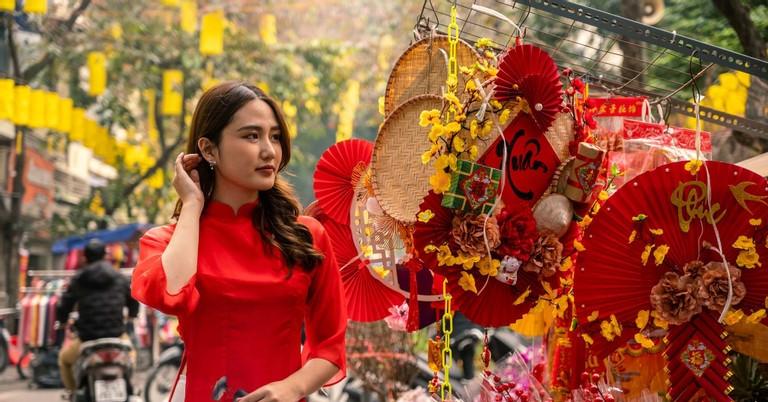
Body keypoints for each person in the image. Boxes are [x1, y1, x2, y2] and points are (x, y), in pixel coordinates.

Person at [131, 81, 347, 402]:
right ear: (208, 149)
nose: (269, 150)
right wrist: (192, 205)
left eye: (274, 136)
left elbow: (330, 346)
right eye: (251, 135)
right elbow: (171, 295)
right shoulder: (167, 241)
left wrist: (292, 387)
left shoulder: (305, 236)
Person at [56, 238, 139, 397]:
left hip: (87, 339)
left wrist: (64, 321)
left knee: (64, 360)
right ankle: (129, 385)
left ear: (85, 258)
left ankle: (72, 393)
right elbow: (133, 300)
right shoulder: (119, 277)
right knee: (132, 356)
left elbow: (63, 306)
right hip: (117, 336)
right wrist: (131, 316)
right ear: (106, 256)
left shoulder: (79, 279)